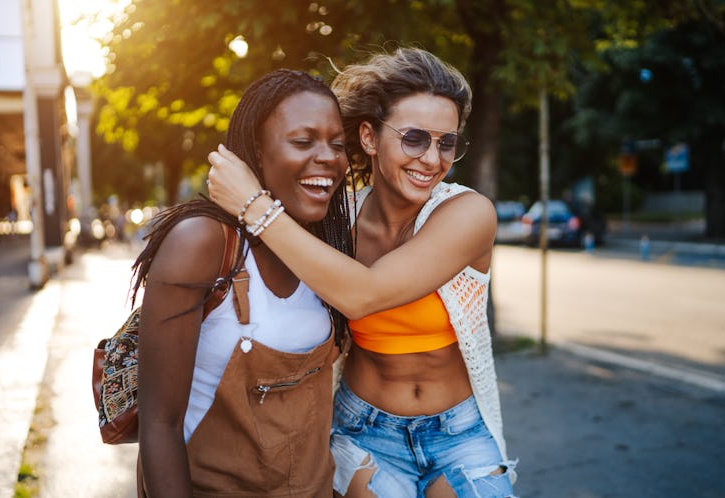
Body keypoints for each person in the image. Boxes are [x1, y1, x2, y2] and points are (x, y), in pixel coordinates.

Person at [207, 48, 517, 498]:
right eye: (414, 138)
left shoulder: (467, 213)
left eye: (446, 142)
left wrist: (254, 204)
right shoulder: (335, 221)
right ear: (370, 138)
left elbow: (363, 293)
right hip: (363, 431)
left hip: (460, 433)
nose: (432, 158)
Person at [133, 69, 353, 497]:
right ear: (256, 150)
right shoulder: (203, 242)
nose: (328, 157)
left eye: (338, 144)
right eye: (303, 141)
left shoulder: (324, 245)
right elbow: (159, 423)